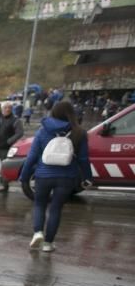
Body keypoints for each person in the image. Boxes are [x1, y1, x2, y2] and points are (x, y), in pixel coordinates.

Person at [19, 100, 93, 253]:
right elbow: (84, 159)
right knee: (56, 209)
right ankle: (48, 244)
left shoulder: (42, 130)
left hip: (43, 175)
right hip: (67, 177)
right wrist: (88, 177)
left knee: (39, 204)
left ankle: (38, 232)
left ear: (53, 112)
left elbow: (31, 157)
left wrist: (24, 176)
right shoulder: (79, 132)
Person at [0, 101, 24, 191]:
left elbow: (20, 133)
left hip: (6, 147)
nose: (7, 109)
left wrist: (8, 141)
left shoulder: (15, 120)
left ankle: (5, 185)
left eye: (9, 108)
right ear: (2, 109)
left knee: (5, 167)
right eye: (5, 108)